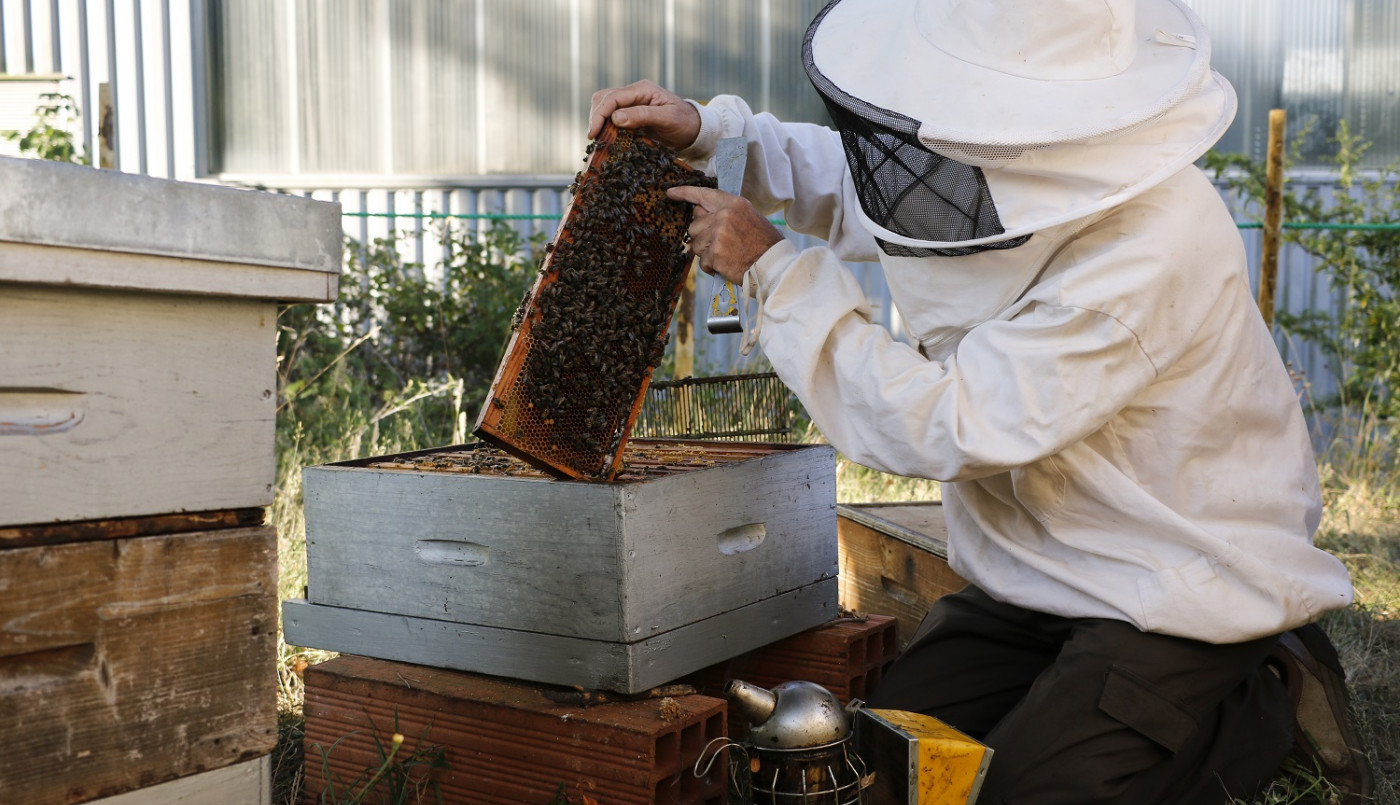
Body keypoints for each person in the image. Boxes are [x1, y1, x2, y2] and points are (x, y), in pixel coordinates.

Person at [589, 0, 1372, 803]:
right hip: (1034, 574)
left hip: (1174, 585)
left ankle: (1264, 686)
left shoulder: (1148, 248)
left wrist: (776, 271)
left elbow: (946, 422)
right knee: (876, 766)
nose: (941, 139)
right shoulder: (1000, 159)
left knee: (1020, 793)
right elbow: (872, 177)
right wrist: (715, 138)